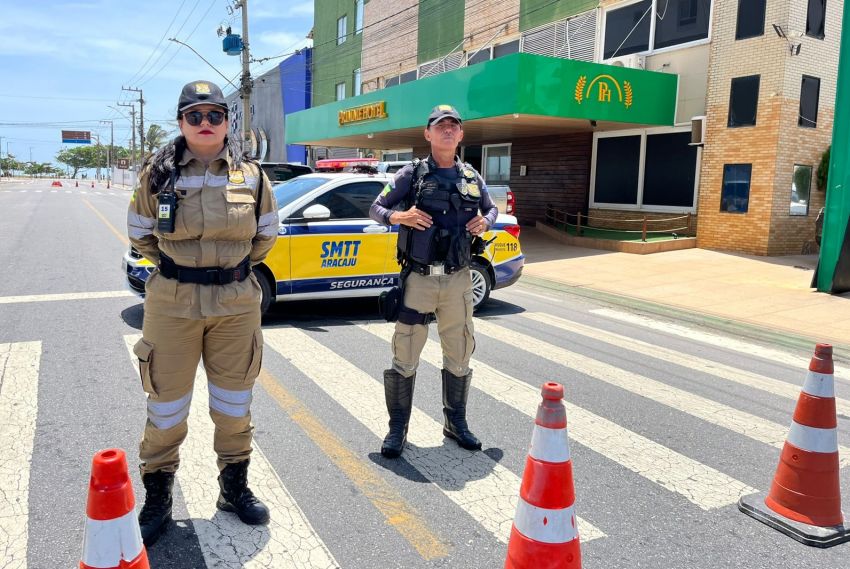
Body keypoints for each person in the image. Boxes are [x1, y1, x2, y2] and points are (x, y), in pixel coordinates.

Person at [126, 80, 279, 545]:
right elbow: (140, 234)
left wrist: (228, 272)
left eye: (215, 114)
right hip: (172, 302)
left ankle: (233, 487)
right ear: (181, 123)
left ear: (227, 121)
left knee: (234, 403)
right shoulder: (159, 173)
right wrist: (180, 269)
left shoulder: (251, 174)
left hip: (235, 303)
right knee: (167, 405)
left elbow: (266, 235)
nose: (206, 123)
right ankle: (159, 493)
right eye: (195, 116)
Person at [369, 104, 498, 458]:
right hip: (420, 280)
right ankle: (398, 429)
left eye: (453, 126)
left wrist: (486, 221)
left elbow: (491, 209)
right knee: (406, 352)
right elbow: (375, 208)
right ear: (427, 134)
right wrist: (400, 215)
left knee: (459, 353)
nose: (447, 130)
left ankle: (456, 423)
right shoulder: (412, 174)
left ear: (460, 135)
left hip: (458, 281)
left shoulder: (472, 176)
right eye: (440, 125)